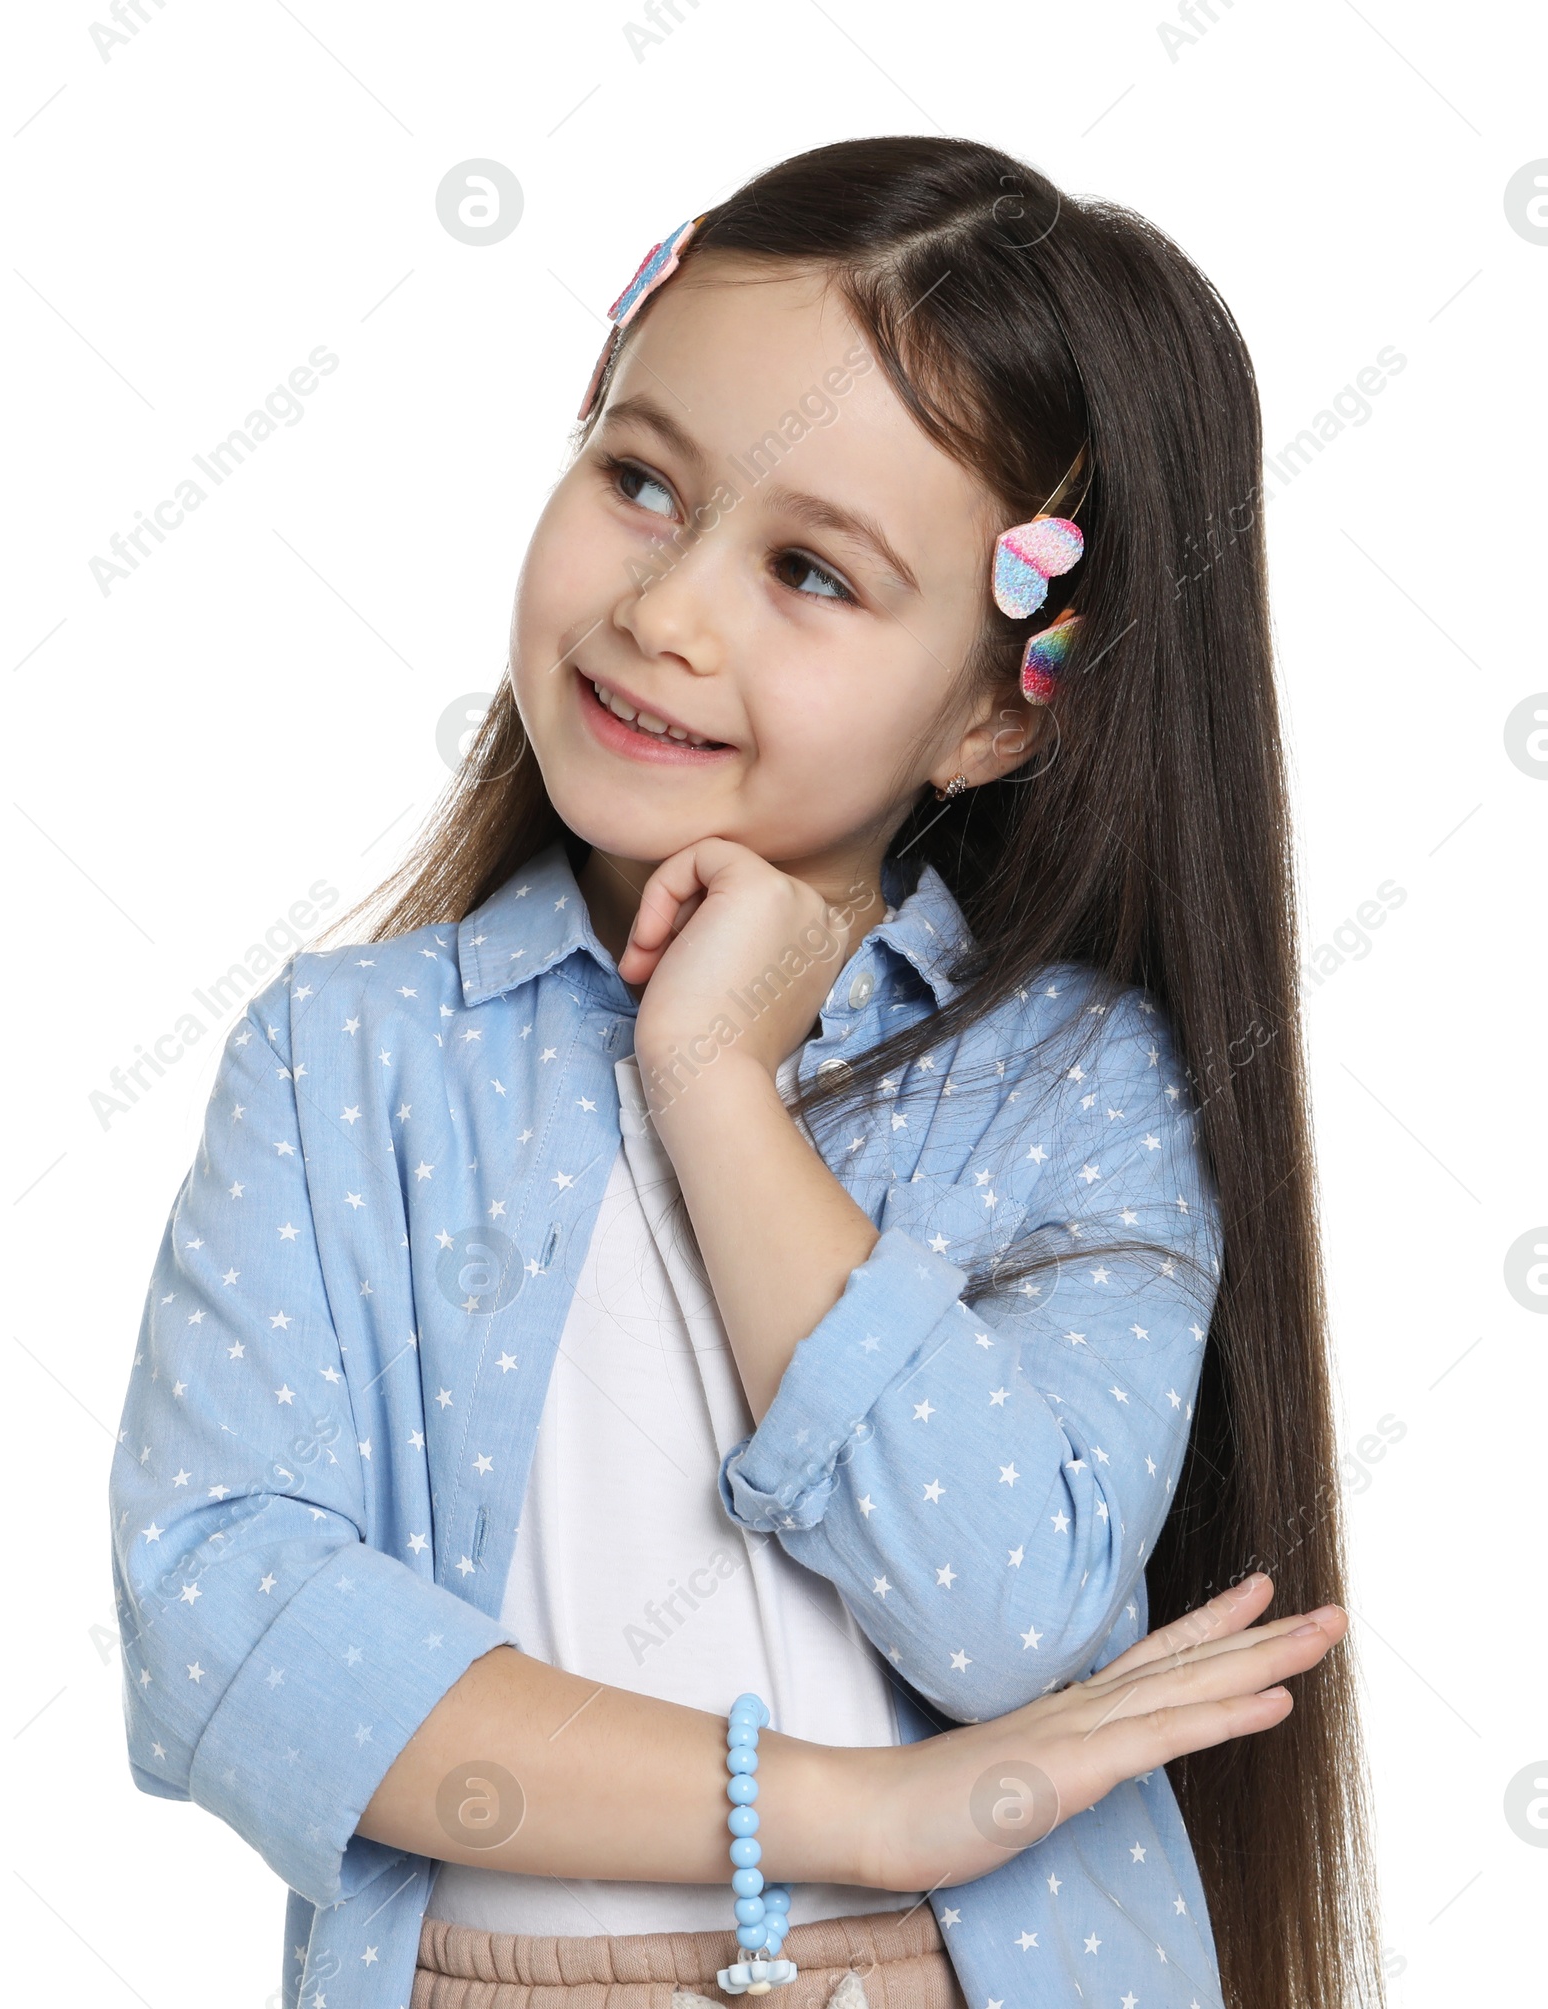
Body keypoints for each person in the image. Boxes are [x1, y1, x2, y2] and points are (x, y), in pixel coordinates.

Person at [109, 136, 1376, 2009]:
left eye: (811, 569)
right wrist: (860, 1810)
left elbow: (1014, 1609)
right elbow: (225, 1624)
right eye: (639, 478)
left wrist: (714, 1077)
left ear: (989, 709)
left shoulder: (1074, 1089)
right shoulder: (350, 1057)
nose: (670, 609)